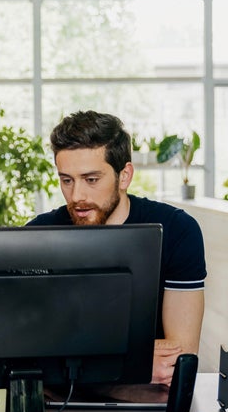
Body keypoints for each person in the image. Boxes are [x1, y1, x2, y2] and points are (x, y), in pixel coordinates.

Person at [27, 110, 206, 386]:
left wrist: (73, 355)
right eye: (67, 180)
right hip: (58, 405)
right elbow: (27, 354)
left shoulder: (177, 231)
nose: (77, 197)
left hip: (145, 410)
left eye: (91, 179)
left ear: (124, 176)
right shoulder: (38, 235)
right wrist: (135, 361)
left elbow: (177, 361)